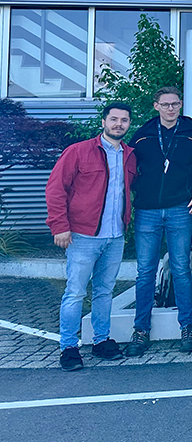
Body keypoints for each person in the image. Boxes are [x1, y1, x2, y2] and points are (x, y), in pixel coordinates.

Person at [46, 102, 136, 371]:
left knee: (105, 291)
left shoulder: (129, 155)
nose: (119, 124)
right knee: (74, 293)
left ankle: (101, 340)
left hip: (115, 235)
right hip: (83, 236)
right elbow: (55, 189)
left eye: (124, 120)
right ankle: (69, 347)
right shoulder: (79, 152)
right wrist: (59, 226)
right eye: (114, 119)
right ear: (104, 122)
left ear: (129, 124)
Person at [126, 87, 192, 357]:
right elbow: (129, 167)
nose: (171, 109)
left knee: (181, 269)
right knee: (145, 272)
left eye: (175, 104)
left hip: (179, 208)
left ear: (181, 104)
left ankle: (187, 327)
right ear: (156, 106)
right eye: (165, 104)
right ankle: (141, 330)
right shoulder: (143, 134)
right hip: (148, 210)